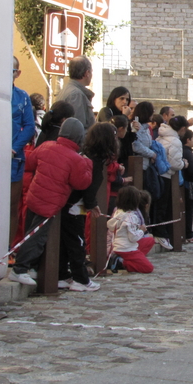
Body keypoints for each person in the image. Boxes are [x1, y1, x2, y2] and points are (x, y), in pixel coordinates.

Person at [10, 118, 93, 286]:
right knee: (37, 238)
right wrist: (88, 165)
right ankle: (19, 269)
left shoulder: (46, 145)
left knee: (29, 233)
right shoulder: (76, 159)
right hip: (50, 203)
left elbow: (31, 163)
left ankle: (32, 267)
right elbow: (81, 183)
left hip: (34, 196)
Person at [59, 122, 119, 292]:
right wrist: (92, 204)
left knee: (67, 242)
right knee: (77, 242)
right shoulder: (94, 161)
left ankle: (62, 275)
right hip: (73, 206)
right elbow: (88, 185)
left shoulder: (88, 156)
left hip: (71, 204)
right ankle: (80, 279)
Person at [11, 57, 36, 246]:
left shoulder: (22, 97)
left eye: (11, 71)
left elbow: (29, 126)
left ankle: (9, 247)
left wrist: (14, 147)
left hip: (14, 159)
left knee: (13, 206)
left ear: (17, 73)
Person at [154, 115, 188, 248]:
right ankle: (161, 234)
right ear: (183, 128)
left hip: (158, 172)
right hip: (166, 175)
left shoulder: (161, 135)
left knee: (159, 205)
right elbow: (174, 163)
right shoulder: (174, 140)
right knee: (163, 206)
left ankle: (160, 232)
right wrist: (183, 164)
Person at [107, 186, 155, 273]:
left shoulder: (118, 212)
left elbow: (110, 225)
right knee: (148, 268)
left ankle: (131, 259)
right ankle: (122, 262)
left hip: (117, 246)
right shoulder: (131, 217)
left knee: (149, 240)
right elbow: (133, 237)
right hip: (126, 249)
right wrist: (141, 231)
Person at [54, 56, 95, 128]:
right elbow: (78, 128)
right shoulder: (76, 95)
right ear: (87, 73)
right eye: (91, 72)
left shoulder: (67, 90)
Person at [181, 129, 193, 243]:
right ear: (188, 139)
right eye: (192, 139)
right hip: (189, 184)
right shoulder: (188, 153)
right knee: (189, 209)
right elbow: (192, 171)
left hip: (187, 183)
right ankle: (188, 233)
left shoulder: (184, 151)